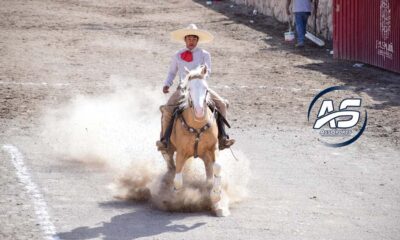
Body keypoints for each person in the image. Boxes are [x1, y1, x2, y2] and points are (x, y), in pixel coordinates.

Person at [156, 24, 235, 151]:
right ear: (185, 40)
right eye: (189, 39)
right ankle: (165, 140)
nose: (191, 42)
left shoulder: (205, 54)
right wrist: (167, 84)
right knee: (167, 110)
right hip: (183, 89)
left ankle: (223, 137)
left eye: (194, 39)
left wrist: (198, 76)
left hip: (200, 88)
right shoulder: (177, 55)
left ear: (197, 40)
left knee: (222, 104)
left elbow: (208, 72)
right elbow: (172, 72)